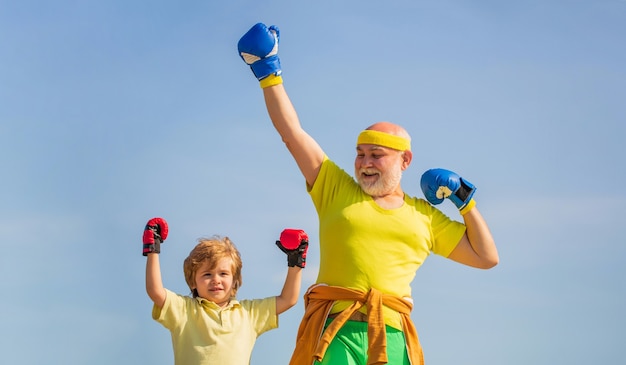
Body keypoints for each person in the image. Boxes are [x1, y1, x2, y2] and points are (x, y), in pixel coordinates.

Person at [237, 23, 500, 365]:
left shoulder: (425, 217)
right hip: (334, 332)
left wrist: (465, 200)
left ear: (405, 160)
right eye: (360, 154)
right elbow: (292, 133)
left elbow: (486, 257)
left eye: (376, 155)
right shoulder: (335, 188)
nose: (365, 163)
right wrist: (267, 72)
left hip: (391, 337)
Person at [142, 217, 309, 365]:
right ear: (193, 282)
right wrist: (152, 250)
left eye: (223, 273)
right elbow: (155, 291)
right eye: (207, 274)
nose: (216, 279)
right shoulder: (185, 310)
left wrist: (295, 262)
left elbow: (288, 299)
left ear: (235, 280)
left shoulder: (248, 313)